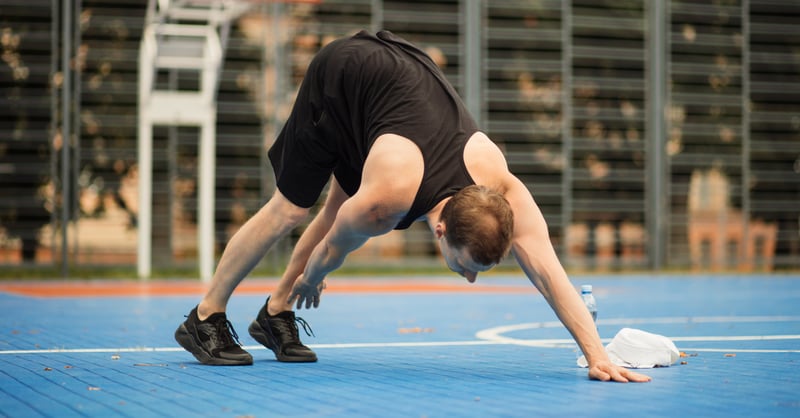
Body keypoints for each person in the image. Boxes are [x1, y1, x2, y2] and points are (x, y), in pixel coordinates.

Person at [174, 30, 650, 383]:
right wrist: (313, 279)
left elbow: (549, 274)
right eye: (467, 267)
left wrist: (596, 355)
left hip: (394, 93)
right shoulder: (386, 201)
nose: (469, 279)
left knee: (344, 199)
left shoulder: (500, 185)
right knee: (295, 209)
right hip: (342, 78)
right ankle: (204, 317)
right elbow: (334, 242)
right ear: (440, 230)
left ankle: (274, 314)